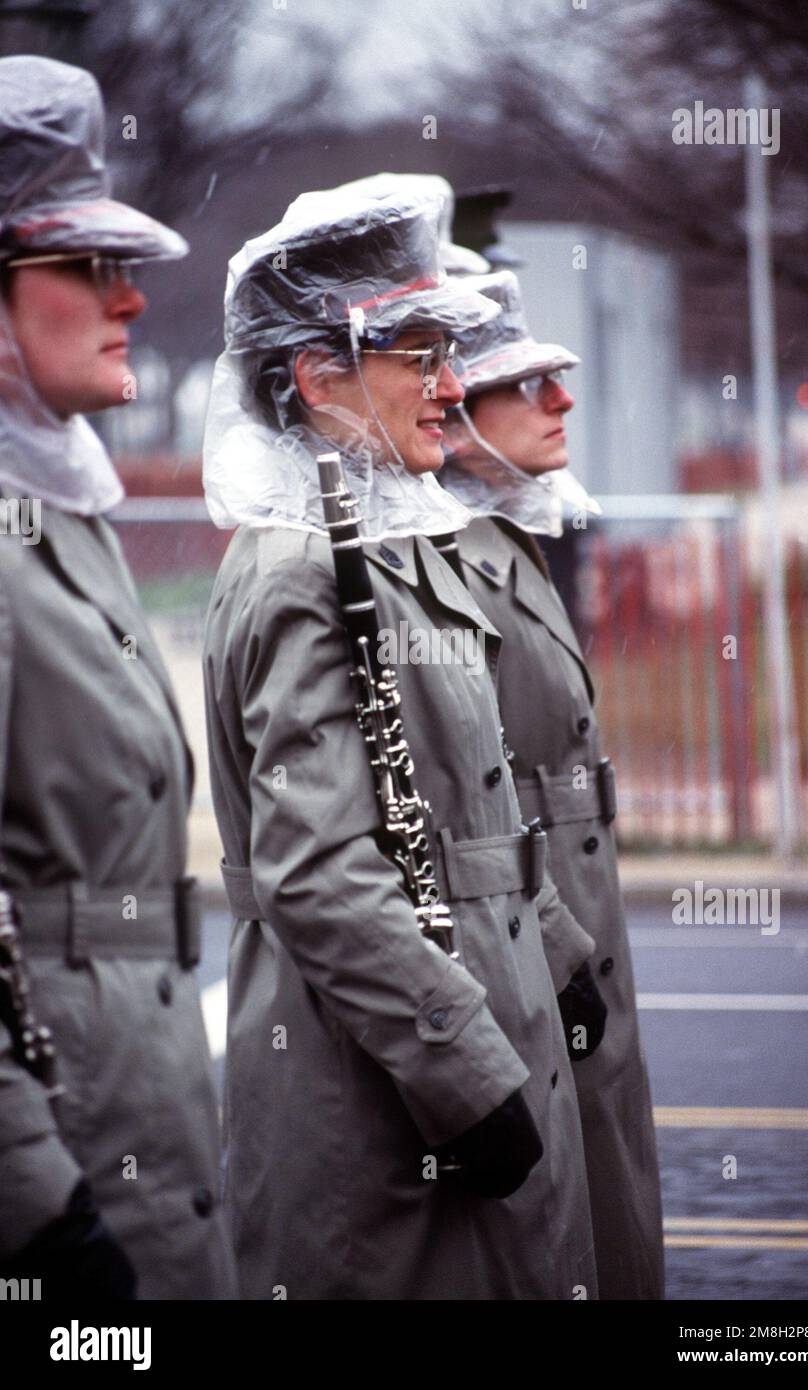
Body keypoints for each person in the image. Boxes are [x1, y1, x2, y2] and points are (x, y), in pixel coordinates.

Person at [201, 178, 601, 1300]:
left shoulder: (382, 540)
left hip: (479, 1017)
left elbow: (464, 802)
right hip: (383, 1097)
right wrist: (464, 1073)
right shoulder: (300, 571)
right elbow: (320, 872)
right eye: (415, 356)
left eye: (445, 353)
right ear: (318, 376)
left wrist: (556, 951)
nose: (447, 385)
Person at [0, 56, 235, 1299]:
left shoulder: (58, 506)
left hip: (127, 1104)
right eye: (88, 269)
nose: (131, 302)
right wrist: (38, 1211)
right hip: (66, 1155)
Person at [439, 268, 665, 1300]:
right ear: (456, 413)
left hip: (573, 923)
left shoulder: (513, 538)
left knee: (610, 1200)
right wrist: (557, 955)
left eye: (557, 382)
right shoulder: (442, 557)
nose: (561, 401)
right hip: (531, 937)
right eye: (526, 387)